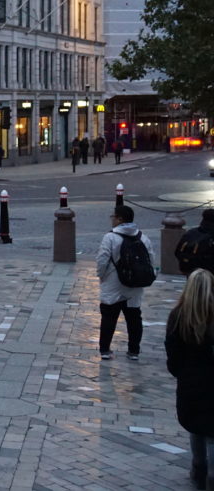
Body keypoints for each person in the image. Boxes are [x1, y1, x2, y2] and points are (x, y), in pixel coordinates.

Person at [165, 268, 214, 491]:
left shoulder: (178, 315)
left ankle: (198, 468)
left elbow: (173, 352)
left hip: (191, 381)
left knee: (196, 427)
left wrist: (182, 374)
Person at [95, 205, 155, 360]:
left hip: (114, 283)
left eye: (113, 216)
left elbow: (102, 260)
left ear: (120, 219)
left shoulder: (111, 237)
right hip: (135, 284)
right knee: (134, 317)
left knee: (109, 316)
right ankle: (134, 351)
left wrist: (101, 276)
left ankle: (105, 350)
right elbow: (151, 260)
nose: (111, 219)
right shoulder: (142, 237)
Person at [176, 209, 214, 276]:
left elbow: (177, 252)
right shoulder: (211, 236)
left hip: (189, 270)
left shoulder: (190, 233)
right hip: (208, 273)